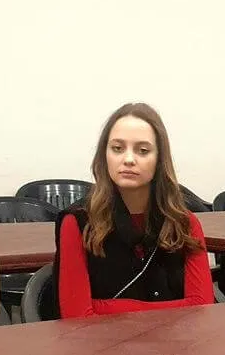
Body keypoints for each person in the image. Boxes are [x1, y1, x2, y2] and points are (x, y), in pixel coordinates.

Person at [53, 103, 214, 318]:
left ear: (159, 160)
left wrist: (101, 307)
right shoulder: (77, 222)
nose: (128, 159)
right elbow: (77, 316)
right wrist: (177, 308)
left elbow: (202, 307)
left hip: (177, 338)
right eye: (117, 148)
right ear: (104, 155)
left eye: (143, 150)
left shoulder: (185, 222)